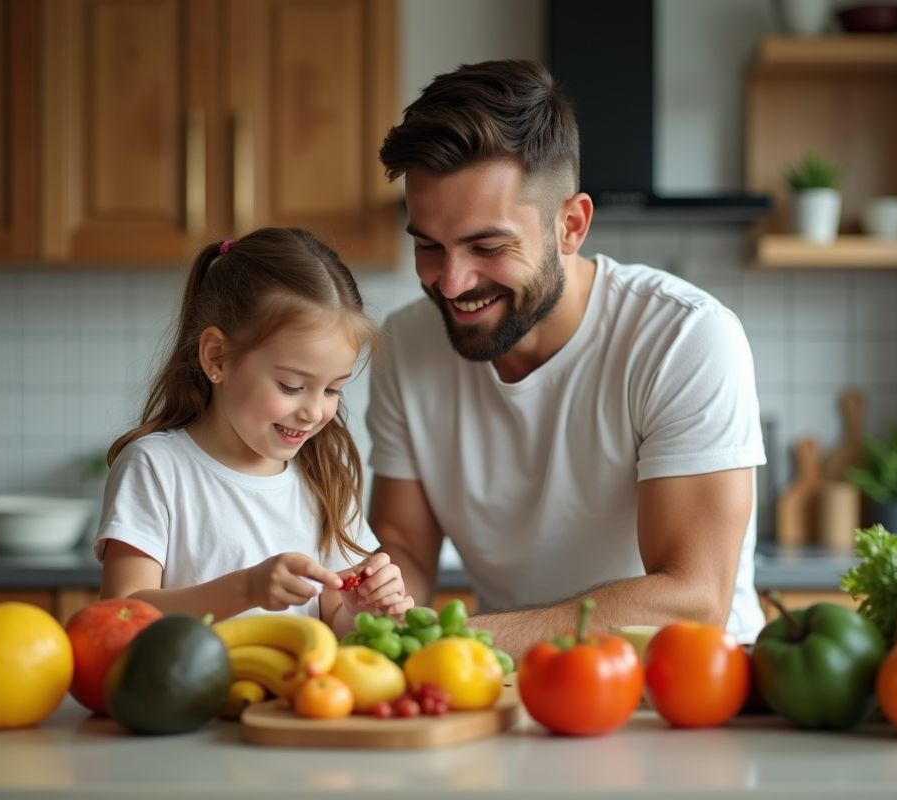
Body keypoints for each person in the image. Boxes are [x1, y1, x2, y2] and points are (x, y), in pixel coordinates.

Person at [368, 60, 766, 658]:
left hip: (686, 698)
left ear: (571, 226)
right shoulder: (407, 346)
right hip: (522, 688)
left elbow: (694, 597)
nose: (451, 284)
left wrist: (455, 637)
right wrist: (380, 610)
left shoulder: (684, 337)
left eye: (488, 246)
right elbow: (405, 547)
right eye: (429, 246)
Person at [96, 227, 413, 635]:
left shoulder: (324, 476)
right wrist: (246, 588)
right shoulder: (156, 468)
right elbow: (121, 618)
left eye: (333, 388)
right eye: (292, 387)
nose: (315, 412)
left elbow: (336, 622)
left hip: (294, 698)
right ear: (218, 357)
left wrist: (362, 610)